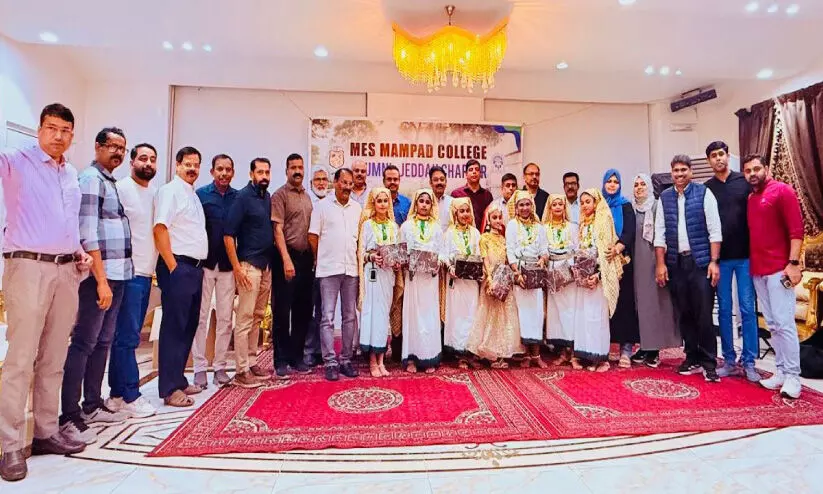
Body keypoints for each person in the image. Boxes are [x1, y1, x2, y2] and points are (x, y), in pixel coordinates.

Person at [0, 104, 92, 482]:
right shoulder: (15, 161)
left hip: (67, 270)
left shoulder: (70, 173)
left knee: (54, 356)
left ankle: (45, 432)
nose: (58, 135)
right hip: (27, 267)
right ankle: (8, 444)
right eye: (52, 128)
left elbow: (65, 223)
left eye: (65, 130)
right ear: (39, 129)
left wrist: (79, 252)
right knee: (21, 358)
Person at [59, 127, 134, 445]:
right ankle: (69, 414)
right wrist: (101, 280)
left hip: (117, 274)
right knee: (84, 343)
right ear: (98, 147)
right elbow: (87, 232)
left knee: (103, 342)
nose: (118, 152)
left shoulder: (108, 180)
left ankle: (92, 404)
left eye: (122, 148)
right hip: (98, 278)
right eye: (113, 146)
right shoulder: (91, 179)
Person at [654, 154, 722, 383]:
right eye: (676, 170)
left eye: (684, 170)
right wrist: (661, 264)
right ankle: (691, 357)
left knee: (703, 313)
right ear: (671, 173)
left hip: (700, 263)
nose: (680, 174)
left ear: (691, 172)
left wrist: (714, 262)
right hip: (676, 264)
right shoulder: (664, 198)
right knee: (684, 313)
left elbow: (715, 230)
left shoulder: (704, 193)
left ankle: (709, 363)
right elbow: (660, 234)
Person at [743, 154, 804, 398]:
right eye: (748, 170)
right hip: (758, 270)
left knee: (784, 323)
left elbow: (796, 230)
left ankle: (793, 377)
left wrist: (793, 263)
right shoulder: (751, 198)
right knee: (772, 324)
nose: (752, 173)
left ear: (766, 169)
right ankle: (780, 371)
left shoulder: (783, 191)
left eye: (756, 168)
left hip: (780, 269)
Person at [107, 143, 159, 419]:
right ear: (132, 162)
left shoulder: (154, 193)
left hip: (145, 273)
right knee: (127, 336)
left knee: (126, 336)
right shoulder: (121, 189)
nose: (148, 163)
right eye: (143, 158)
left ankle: (116, 395)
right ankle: (130, 394)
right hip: (128, 273)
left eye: (152, 159)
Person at [154, 146, 208, 407]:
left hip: (194, 268)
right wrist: (173, 266)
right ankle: (169, 388)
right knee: (174, 327)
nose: (192, 168)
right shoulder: (170, 191)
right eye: (188, 164)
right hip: (179, 267)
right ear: (177, 165)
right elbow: (160, 228)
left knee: (188, 325)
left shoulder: (192, 194)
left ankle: (179, 379)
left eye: (196, 164)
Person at [704, 141, 760, 382]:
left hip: (746, 256)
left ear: (727, 156)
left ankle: (749, 362)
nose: (718, 158)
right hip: (721, 259)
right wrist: (712, 259)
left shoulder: (744, 181)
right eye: (713, 156)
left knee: (747, 309)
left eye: (721, 154)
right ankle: (728, 360)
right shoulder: (707, 189)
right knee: (724, 311)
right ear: (709, 161)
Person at [224, 158, 275, 388]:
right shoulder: (242, 198)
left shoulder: (267, 197)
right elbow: (228, 235)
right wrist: (237, 268)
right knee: (244, 319)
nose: (264, 176)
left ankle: (252, 361)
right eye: (260, 172)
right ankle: (241, 370)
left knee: (257, 316)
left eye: (267, 172)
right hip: (248, 266)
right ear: (251, 174)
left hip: (265, 266)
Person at [309, 168, 362, 381]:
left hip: (351, 269)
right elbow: (313, 237)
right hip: (328, 269)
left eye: (350, 183)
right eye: (344, 182)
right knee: (327, 317)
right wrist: (319, 259)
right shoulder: (322, 207)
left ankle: (346, 359)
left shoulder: (357, 208)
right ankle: (330, 362)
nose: (347, 187)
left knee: (349, 316)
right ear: (335, 182)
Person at [192, 154, 237, 389]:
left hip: (228, 267)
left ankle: (220, 367)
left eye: (228, 169)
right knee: (201, 317)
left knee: (226, 319)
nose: (224, 173)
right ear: (212, 172)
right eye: (220, 169)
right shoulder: (200, 195)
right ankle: (199, 368)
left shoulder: (237, 198)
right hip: (205, 265)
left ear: (233, 173)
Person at [629, 174, 680, 368]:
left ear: (650, 187)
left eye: (643, 184)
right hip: (637, 263)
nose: (639, 187)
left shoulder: (657, 206)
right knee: (641, 305)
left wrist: (661, 263)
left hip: (654, 261)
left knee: (656, 305)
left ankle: (655, 349)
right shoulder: (632, 209)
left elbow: (664, 234)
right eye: (636, 184)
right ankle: (645, 345)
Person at [271, 153, 315, 378]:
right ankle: (280, 360)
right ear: (287, 170)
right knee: (282, 311)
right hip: (286, 258)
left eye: (300, 167)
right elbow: (277, 229)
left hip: (305, 260)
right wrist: (286, 259)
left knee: (302, 310)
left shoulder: (307, 197)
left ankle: (297, 357)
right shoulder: (280, 195)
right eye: (293, 168)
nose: (297, 171)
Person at [466, 203, 524, 367]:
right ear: (489, 221)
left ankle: (501, 353)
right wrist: (490, 279)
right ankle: (488, 353)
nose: (498, 220)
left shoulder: (503, 239)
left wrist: (506, 278)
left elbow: (506, 261)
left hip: (503, 281)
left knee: (504, 317)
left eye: (500, 217)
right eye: (494, 218)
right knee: (489, 315)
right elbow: (485, 260)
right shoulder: (484, 238)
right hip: (491, 280)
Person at [574, 189, 623, 372]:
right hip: (584, 277)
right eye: (582, 202)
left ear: (596, 203)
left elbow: (606, 252)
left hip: (598, 276)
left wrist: (598, 275)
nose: (585, 205)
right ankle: (586, 355)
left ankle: (600, 358)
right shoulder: (582, 223)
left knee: (597, 317)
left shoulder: (602, 222)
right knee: (584, 316)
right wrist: (581, 274)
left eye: (588, 201)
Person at [400, 188, 443, 373]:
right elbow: (402, 251)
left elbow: (442, 252)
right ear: (416, 203)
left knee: (429, 316)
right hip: (413, 279)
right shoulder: (406, 226)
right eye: (421, 201)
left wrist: (437, 262)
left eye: (428, 202)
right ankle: (411, 358)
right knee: (413, 316)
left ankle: (429, 357)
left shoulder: (437, 228)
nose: (424, 205)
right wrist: (407, 261)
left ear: (432, 205)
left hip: (430, 279)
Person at [357, 187, 398, 378]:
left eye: (385, 200)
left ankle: (382, 361)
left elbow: (397, 251)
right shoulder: (367, 225)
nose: (382, 204)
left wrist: (397, 262)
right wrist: (372, 256)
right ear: (373, 203)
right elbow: (361, 252)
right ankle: (372, 361)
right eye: (379, 201)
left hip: (387, 275)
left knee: (383, 316)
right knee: (371, 314)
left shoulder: (393, 226)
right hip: (372, 274)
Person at [506, 190, 549, 368]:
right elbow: (510, 250)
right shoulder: (512, 225)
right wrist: (516, 273)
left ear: (532, 206)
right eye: (521, 205)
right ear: (516, 208)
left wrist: (543, 259)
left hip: (536, 272)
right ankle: (525, 355)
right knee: (521, 315)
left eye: (527, 204)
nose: (524, 208)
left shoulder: (539, 227)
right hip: (520, 272)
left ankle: (536, 355)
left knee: (536, 314)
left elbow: (545, 250)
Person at [601, 169, 639, 368]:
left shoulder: (625, 205)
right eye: (609, 181)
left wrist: (617, 248)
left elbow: (630, 231)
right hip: (604, 261)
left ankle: (626, 348)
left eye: (616, 181)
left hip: (623, 260)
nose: (612, 184)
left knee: (624, 302)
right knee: (606, 303)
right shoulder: (600, 206)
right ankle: (605, 346)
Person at [441, 198, 481, 368]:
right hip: (456, 282)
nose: (465, 214)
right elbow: (442, 254)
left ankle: (471, 352)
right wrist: (450, 266)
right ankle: (460, 354)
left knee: (472, 315)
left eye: (467, 211)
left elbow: (480, 254)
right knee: (458, 317)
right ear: (455, 213)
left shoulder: (475, 233)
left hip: (472, 283)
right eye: (461, 211)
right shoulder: (449, 233)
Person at [543, 194, 579, 365]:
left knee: (570, 311)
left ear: (565, 207)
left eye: (560, 204)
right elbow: (543, 250)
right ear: (549, 208)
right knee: (556, 312)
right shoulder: (544, 228)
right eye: (554, 204)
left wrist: (572, 268)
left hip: (568, 271)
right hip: (552, 270)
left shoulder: (572, 227)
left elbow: (577, 249)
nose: (557, 207)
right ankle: (563, 352)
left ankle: (573, 352)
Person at [303, 165, 329, 367]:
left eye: (324, 180)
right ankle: (308, 350)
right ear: (311, 183)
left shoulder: (331, 203)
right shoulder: (307, 202)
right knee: (310, 309)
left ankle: (321, 350)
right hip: (309, 262)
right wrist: (315, 257)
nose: (321, 183)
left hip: (328, 264)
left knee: (324, 309)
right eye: (317, 180)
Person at [384, 164, 411, 360]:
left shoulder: (407, 204)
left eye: (395, 179)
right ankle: (374, 348)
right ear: (384, 181)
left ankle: (398, 348)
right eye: (389, 179)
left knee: (399, 304)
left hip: (401, 264)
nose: (392, 182)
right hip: (382, 262)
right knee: (382, 304)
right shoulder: (378, 201)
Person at [451, 159, 494, 230]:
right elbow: (453, 218)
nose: (474, 172)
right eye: (471, 170)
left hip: (483, 234)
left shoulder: (487, 195)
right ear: (466, 174)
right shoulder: (456, 194)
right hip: (462, 234)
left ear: (480, 174)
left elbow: (491, 217)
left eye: (477, 169)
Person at [429, 165, 452, 232]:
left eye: (442, 179)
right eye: (436, 180)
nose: (439, 182)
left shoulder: (452, 202)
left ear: (446, 182)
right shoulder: (424, 203)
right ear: (430, 183)